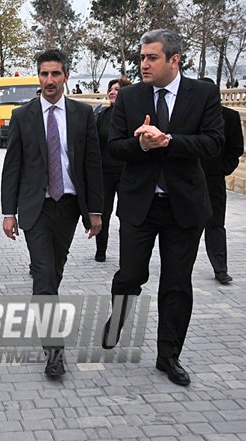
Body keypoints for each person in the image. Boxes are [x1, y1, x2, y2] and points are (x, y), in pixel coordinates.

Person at [104, 29, 224, 386]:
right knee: (130, 275)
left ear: (174, 60)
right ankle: (118, 316)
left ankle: (168, 355)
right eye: (141, 57)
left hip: (183, 207)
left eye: (151, 58)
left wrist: (168, 141)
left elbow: (214, 142)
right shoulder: (128, 97)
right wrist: (142, 144)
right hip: (139, 206)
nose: (143, 64)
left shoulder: (203, 94)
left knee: (176, 284)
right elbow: (113, 146)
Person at [1, 49, 103, 377]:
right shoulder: (23, 116)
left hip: (70, 205)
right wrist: (8, 212)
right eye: (44, 74)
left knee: (55, 271)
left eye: (55, 74)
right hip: (36, 207)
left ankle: (46, 308)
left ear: (66, 77)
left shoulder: (82, 114)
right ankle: (54, 351)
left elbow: (91, 164)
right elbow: (12, 166)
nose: (49, 80)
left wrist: (95, 211)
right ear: (38, 77)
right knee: (44, 275)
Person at [198, 77, 244, 284]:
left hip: (214, 179)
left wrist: (222, 170)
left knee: (215, 224)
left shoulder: (230, 117)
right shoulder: (189, 116)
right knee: (182, 224)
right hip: (185, 179)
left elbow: (235, 150)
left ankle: (220, 268)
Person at [94, 77, 132, 262]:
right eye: (110, 89)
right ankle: (101, 250)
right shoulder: (101, 115)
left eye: (117, 89)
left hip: (127, 172)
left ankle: (129, 252)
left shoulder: (134, 116)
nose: (112, 92)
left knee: (127, 215)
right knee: (103, 213)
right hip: (104, 173)